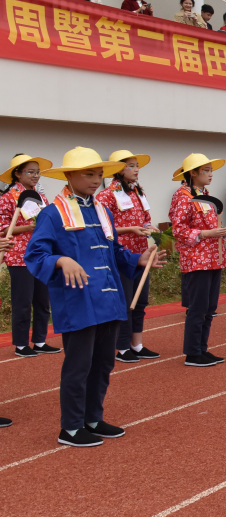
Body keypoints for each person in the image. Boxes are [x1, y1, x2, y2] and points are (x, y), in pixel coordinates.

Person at [26, 147, 165, 447]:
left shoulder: (101, 210)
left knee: (103, 363)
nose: (95, 179)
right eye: (88, 173)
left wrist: (137, 260)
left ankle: (92, 417)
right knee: (79, 366)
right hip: (77, 301)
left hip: (109, 298)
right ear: (69, 176)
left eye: (99, 174)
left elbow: (113, 251)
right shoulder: (53, 213)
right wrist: (61, 261)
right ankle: (71, 427)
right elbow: (35, 254)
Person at [170, 153, 226, 367]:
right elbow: (179, 230)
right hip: (196, 259)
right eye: (206, 170)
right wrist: (206, 234)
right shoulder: (182, 196)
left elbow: (212, 227)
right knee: (198, 308)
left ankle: (202, 348)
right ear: (193, 173)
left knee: (209, 308)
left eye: (211, 170)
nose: (211, 174)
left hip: (214, 258)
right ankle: (193, 352)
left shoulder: (205, 195)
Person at [96, 150, 160, 362]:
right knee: (125, 302)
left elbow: (145, 218)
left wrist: (148, 227)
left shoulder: (138, 192)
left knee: (140, 301)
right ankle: (122, 347)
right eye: (130, 166)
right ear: (118, 169)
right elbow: (104, 227)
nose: (136, 169)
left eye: (136, 165)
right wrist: (130, 229)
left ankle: (137, 344)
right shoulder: (106, 195)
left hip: (141, 253)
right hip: (121, 256)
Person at [1, 154, 59, 358]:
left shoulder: (41, 197)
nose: (36, 176)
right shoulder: (7, 197)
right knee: (23, 302)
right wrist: (27, 226)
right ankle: (20, 344)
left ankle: (40, 341)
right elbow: (2, 229)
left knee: (43, 301)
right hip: (19, 256)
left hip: (42, 255)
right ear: (17, 174)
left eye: (37, 172)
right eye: (30, 172)